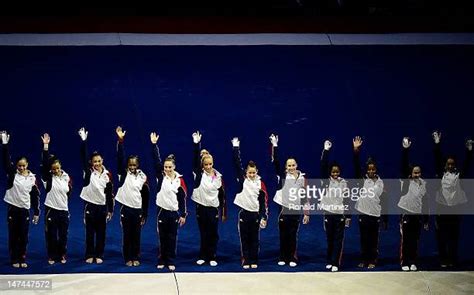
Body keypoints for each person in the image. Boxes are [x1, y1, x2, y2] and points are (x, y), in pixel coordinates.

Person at [433, 131, 472, 268]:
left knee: (453, 236)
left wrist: (469, 152)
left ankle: (453, 259)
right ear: (445, 165)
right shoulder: (441, 174)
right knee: (442, 236)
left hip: (455, 210)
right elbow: (437, 159)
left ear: (455, 164)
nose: (450, 166)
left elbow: (467, 166)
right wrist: (437, 144)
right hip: (442, 209)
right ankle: (443, 259)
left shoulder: (458, 176)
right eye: (448, 164)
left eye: (452, 164)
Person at [269, 134, 309, 267]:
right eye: (289, 165)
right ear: (286, 167)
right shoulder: (283, 176)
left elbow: (305, 196)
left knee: (293, 234)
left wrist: (306, 213)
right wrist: (275, 145)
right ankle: (282, 256)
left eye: (293, 165)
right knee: (283, 234)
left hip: (296, 209)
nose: (291, 167)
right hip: (284, 209)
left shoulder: (302, 178)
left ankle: (292, 257)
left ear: (296, 165)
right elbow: (276, 161)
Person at [1, 131, 40, 268]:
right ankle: (14, 259)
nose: (21, 167)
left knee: (23, 235)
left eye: (24, 165)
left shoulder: (32, 178)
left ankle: (22, 258)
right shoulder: (12, 174)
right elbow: (6, 161)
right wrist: (5, 144)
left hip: (24, 210)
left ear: (27, 164)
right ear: (16, 166)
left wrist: (36, 212)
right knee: (13, 235)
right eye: (19, 166)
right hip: (13, 209)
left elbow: (35, 196)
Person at [150, 132, 187, 271]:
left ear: (174, 167)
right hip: (162, 212)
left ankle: (170, 260)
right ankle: (162, 259)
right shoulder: (161, 177)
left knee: (172, 238)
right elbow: (156, 160)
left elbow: (182, 199)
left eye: (170, 167)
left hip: (174, 213)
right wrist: (154, 145)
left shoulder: (180, 180)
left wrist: (183, 214)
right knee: (162, 238)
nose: (167, 169)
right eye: (165, 167)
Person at [78, 127, 114, 264]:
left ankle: (99, 254)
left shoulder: (107, 175)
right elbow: (83, 156)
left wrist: (110, 209)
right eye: (95, 162)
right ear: (91, 163)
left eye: (99, 161)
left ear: (102, 160)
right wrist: (84, 141)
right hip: (90, 206)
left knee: (101, 232)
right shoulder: (88, 173)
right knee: (89, 232)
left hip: (102, 207)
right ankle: (89, 254)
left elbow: (110, 193)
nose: (97, 163)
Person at [231, 137, 268, 269]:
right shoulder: (243, 181)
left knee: (255, 239)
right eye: (249, 172)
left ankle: (254, 259)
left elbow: (263, 202)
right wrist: (236, 148)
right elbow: (237, 164)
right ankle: (246, 259)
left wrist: (264, 216)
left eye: (253, 172)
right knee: (245, 238)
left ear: (257, 172)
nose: (251, 174)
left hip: (256, 215)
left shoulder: (261, 184)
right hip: (244, 214)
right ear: (246, 173)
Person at [115, 126, 150, 267]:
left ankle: (135, 256)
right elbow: (120, 158)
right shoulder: (123, 175)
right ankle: (127, 257)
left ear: (138, 165)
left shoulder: (143, 177)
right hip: (126, 209)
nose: (132, 166)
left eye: (134, 164)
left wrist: (144, 214)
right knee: (127, 234)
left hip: (137, 210)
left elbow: (146, 197)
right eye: (130, 164)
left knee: (136, 235)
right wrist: (120, 140)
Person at [191, 131, 227, 267]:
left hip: (213, 208)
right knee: (204, 232)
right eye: (206, 165)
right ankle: (202, 255)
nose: (208, 167)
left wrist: (223, 212)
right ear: (202, 165)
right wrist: (196, 145)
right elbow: (195, 160)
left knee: (213, 233)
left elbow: (223, 195)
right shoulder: (199, 175)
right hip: (201, 207)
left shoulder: (218, 176)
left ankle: (212, 255)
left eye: (210, 164)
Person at [352, 136, 387, 269]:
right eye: (369, 169)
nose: (371, 171)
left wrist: (385, 218)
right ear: (366, 170)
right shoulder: (362, 180)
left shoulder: (381, 182)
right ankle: (364, 259)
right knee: (363, 238)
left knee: (373, 239)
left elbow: (383, 201)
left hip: (375, 215)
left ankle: (372, 259)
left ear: (376, 169)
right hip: (363, 213)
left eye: (373, 169)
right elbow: (356, 165)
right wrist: (356, 151)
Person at [40, 133, 72, 265]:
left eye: (58, 168)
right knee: (51, 235)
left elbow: (69, 192)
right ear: (50, 170)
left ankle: (62, 254)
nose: (56, 170)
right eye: (53, 169)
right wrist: (45, 146)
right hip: (51, 210)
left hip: (64, 210)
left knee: (63, 235)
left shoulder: (66, 177)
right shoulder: (47, 179)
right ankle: (52, 255)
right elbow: (44, 164)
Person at [398, 137, 429, 271]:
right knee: (406, 240)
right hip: (406, 214)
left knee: (415, 241)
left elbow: (426, 201)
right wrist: (406, 150)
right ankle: (404, 262)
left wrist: (426, 219)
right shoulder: (406, 182)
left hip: (417, 215)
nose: (417, 174)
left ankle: (413, 261)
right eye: (415, 172)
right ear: (410, 173)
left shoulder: (424, 183)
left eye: (419, 172)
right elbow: (404, 165)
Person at [320, 139, 350, 272]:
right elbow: (323, 165)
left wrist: (348, 216)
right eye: (333, 172)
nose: (335, 174)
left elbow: (348, 200)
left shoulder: (344, 183)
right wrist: (326, 151)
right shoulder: (326, 181)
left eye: (337, 172)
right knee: (330, 239)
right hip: (328, 213)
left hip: (340, 215)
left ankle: (336, 263)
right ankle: (329, 260)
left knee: (338, 240)